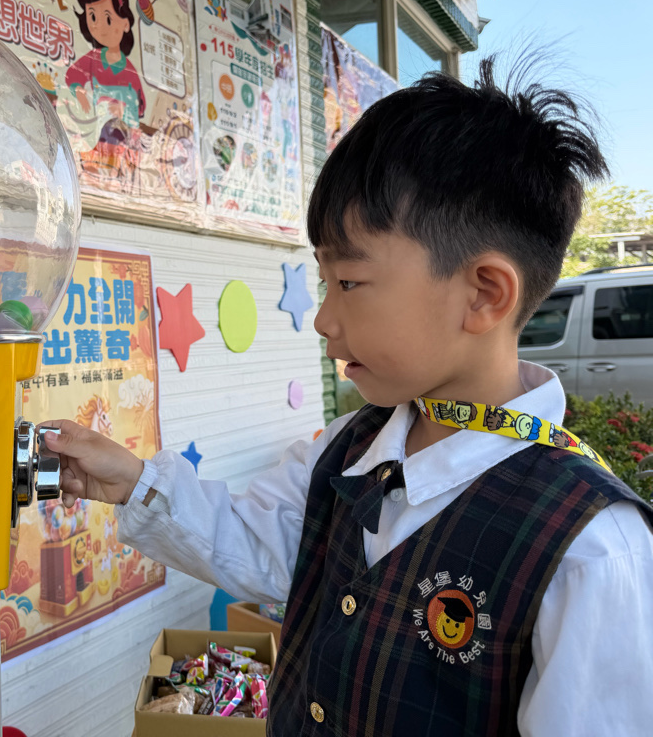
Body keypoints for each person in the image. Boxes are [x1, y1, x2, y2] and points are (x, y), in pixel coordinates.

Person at [42, 59, 653, 736]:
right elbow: (262, 544)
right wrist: (134, 481)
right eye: (323, 281)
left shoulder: (592, 549)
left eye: (350, 283)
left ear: (484, 294)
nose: (323, 319)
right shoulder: (350, 446)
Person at [66, 0, 146, 145]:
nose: (100, 27)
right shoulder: (93, 58)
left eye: (108, 18)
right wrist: (79, 92)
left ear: (125, 23)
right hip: (99, 133)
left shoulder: (130, 70)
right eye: (93, 17)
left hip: (123, 138)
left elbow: (140, 106)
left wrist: (124, 109)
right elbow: (72, 75)